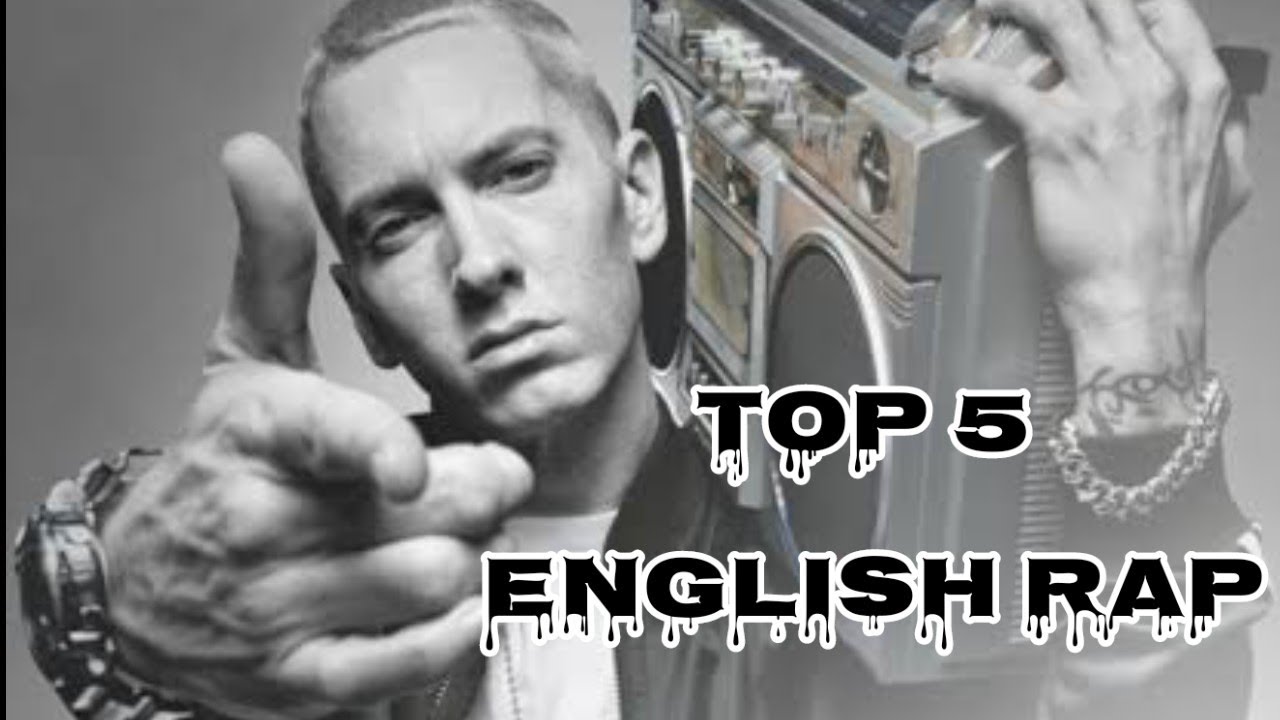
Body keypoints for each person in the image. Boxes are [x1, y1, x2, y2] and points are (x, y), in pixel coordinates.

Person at [14, 0, 1265, 718]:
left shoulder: (817, 560)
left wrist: (1134, 336)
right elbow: (175, 607)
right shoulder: (322, 589)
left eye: (515, 171)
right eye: (397, 225)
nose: (478, 261)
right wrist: (107, 581)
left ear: (643, 197)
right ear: (367, 315)